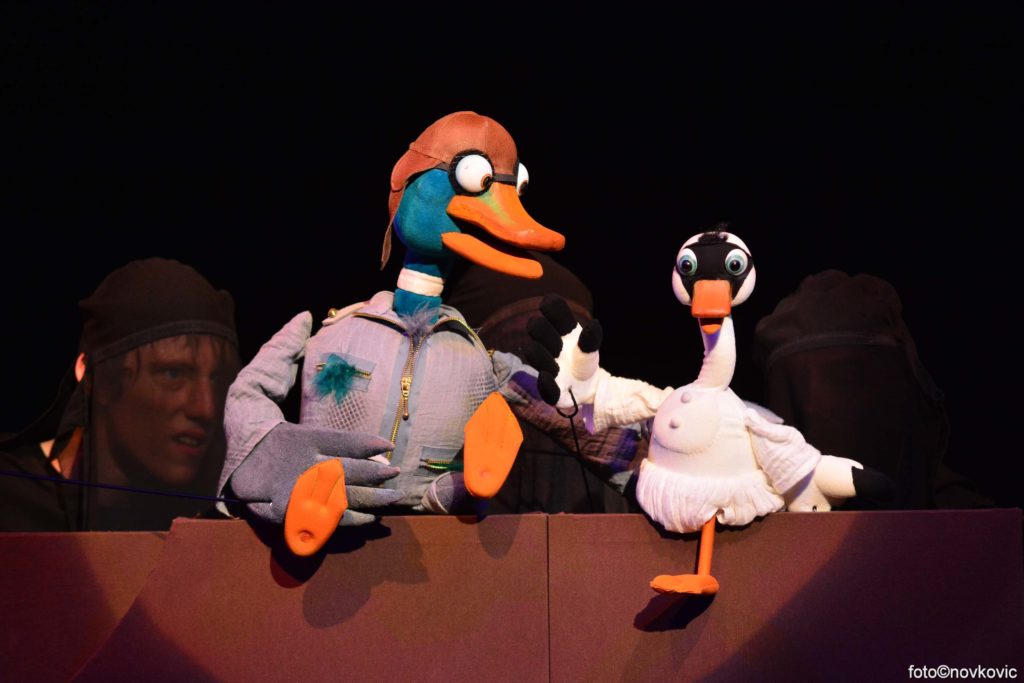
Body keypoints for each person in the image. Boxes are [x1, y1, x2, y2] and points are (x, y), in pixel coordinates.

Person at [0, 258, 240, 531]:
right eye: (173, 373)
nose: (206, 408)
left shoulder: (220, 515)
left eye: (217, 379)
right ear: (92, 376)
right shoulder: (9, 496)